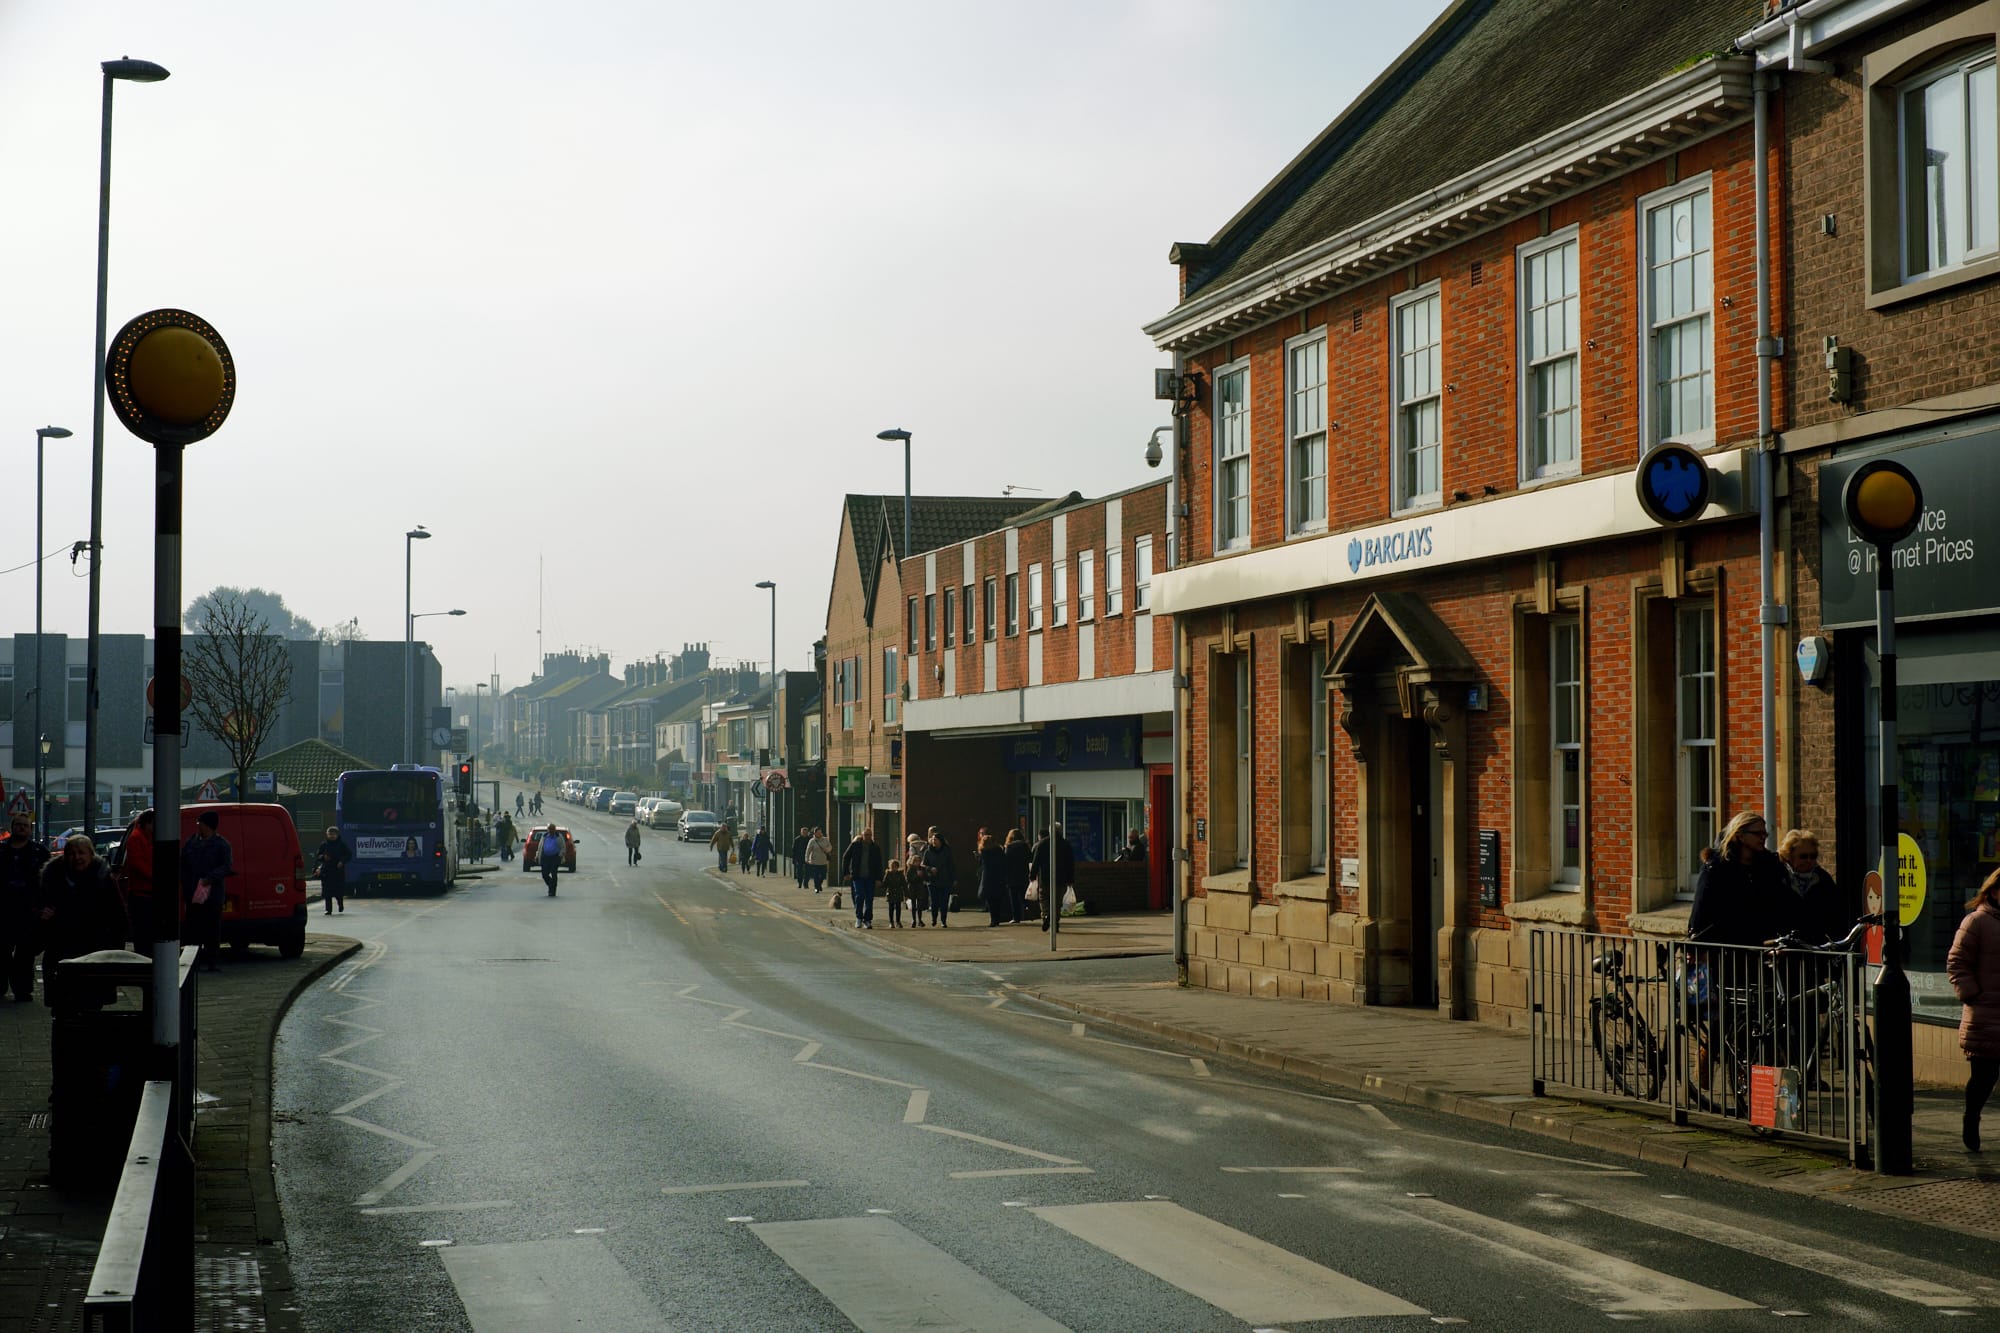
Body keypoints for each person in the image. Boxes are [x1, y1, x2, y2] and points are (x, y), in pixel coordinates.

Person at [37, 837, 129, 1007]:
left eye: (81, 853)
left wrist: (115, 951)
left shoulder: (104, 879)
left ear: (91, 854)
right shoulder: (52, 878)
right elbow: (39, 909)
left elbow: (119, 917)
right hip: (61, 950)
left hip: (96, 950)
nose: (76, 857)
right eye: (71, 853)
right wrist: (43, 916)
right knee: (63, 1006)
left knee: (92, 1003)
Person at [1688, 812, 1797, 949]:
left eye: (1765, 834)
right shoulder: (1717, 866)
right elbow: (1701, 906)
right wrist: (1695, 944)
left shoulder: (1770, 865)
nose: (1763, 838)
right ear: (1740, 835)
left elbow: (1781, 902)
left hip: (1762, 944)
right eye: (1757, 834)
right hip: (1726, 945)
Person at [1947, 868, 2000, 1152]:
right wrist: (1972, 994)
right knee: (1984, 1077)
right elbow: (1956, 962)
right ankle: (1972, 1118)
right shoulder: (1977, 921)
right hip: (1986, 1013)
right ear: (1993, 891)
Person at [1, 816, 51, 1001]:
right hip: (4, 910)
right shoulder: (1, 850)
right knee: (2, 951)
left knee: (25, 953)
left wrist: (45, 906)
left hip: (29, 910)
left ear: (30, 830)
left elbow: (48, 882)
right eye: (18, 825)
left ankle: (22, 989)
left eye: (25, 826)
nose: (21, 828)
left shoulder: (39, 852)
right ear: (12, 827)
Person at [1776, 829, 1850, 944]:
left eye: (1813, 856)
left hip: (1817, 947)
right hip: (1785, 946)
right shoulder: (1778, 878)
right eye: (1803, 856)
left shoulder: (1823, 879)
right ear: (1789, 856)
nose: (1809, 860)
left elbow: (1836, 913)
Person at [181, 810, 234, 972]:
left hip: (212, 895)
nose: (198, 826)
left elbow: (227, 866)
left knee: (212, 929)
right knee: (193, 929)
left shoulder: (221, 844)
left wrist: (209, 878)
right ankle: (194, 962)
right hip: (193, 895)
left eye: (200, 823)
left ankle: (212, 961)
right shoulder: (191, 842)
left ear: (208, 826)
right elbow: (182, 863)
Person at [116, 810, 159, 950]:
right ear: (148, 823)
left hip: (148, 893)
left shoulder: (146, 837)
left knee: (147, 933)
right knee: (143, 933)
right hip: (142, 894)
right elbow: (138, 864)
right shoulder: (136, 838)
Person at [1031, 825, 1075, 932]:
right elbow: (1070, 864)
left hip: (1045, 878)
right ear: (1060, 831)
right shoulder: (1065, 844)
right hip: (1061, 879)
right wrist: (1070, 879)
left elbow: (1036, 861)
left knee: (1044, 898)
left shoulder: (1042, 843)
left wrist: (1032, 875)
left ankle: (1046, 915)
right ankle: (1055, 922)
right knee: (1057, 902)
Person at [840, 827, 884, 929]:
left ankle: (867, 920)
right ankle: (859, 918)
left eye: (869, 835)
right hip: (857, 876)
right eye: (866, 835)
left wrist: (879, 879)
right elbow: (845, 857)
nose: (868, 837)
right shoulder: (855, 845)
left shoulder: (875, 848)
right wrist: (846, 873)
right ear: (862, 835)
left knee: (869, 898)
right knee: (859, 896)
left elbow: (879, 864)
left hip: (870, 877)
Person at [921, 830, 956, 928]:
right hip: (932, 880)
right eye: (932, 839)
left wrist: (954, 879)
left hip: (945, 879)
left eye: (935, 839)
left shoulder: (947, 851)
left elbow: (951, 865)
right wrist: (930, 868)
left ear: (940, 841)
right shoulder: (928, 851)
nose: (933, 841)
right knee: (934, 901)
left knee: (944, 902)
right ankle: (934, 919)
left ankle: (943, 921)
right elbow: (923, 865)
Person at [315, 825, 352, 915]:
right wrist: (323, 857)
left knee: (338, 892)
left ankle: (340, 904)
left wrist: (342, 861)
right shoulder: (324, 845)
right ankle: (328, 909)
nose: (331, 836)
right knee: (327, 892)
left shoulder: (342, 845)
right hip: (327, 871)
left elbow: (348, 855)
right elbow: (318, 856)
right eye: (329, 834)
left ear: (337, 835)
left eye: (333, 834)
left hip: (338, 871)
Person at [976, 830, 1009, 927]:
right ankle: (997, 918)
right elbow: (1004, 864)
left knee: (990, 901)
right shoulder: (999, 851)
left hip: (988, 878)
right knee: (997, 900)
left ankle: (993, 919)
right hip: (998, 877)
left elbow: (982, 865)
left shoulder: (984, 853)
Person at [1004, 828, 1031, 925]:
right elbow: (1030, 858)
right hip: (1023, 874)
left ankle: (1016, 917)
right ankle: (1031, 913)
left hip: (1012, 876)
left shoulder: (1009, 847)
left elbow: (1006, 862)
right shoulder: (1025, 846)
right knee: (1024, 896)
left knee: (1014, 898)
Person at [805, 827, 831, 893]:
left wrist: (827, 850)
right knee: (816, 875)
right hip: (815, 861)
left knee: (823, 875)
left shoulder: (825, 840)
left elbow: (830, 847)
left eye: (820, 832)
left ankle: (819, 884)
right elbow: (808, 850)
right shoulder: (812, 841)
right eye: (818, 832)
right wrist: (807, 858)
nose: (819, 834)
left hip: (823, 861)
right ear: (815, 833)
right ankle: (816, 887)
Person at [538, 826, 564, 894]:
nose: (551, 831)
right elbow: (540, 846)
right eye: (550, 829)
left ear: (555, 830)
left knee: (554, 873)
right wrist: (537, 856)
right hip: (545, 857)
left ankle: (553, 889)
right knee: (544, 874)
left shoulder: (559, 837)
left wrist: (560, 855)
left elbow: (563, 847)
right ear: (548, 830)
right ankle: (551, 885)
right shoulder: (545, 836)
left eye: (553, 829)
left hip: (555, 857)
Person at [883, 859, 908, 928]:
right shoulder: (888, 874)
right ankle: (891, 922)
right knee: (891, 908)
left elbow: (904, 885)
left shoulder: (900, 874)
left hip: (898, 892)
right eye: (892, 866)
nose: (894, 868)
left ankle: (898, 921)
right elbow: (885, 884)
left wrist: (906, 894)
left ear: (897, 867)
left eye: (895, 866)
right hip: (890, 892)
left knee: (898, 908)